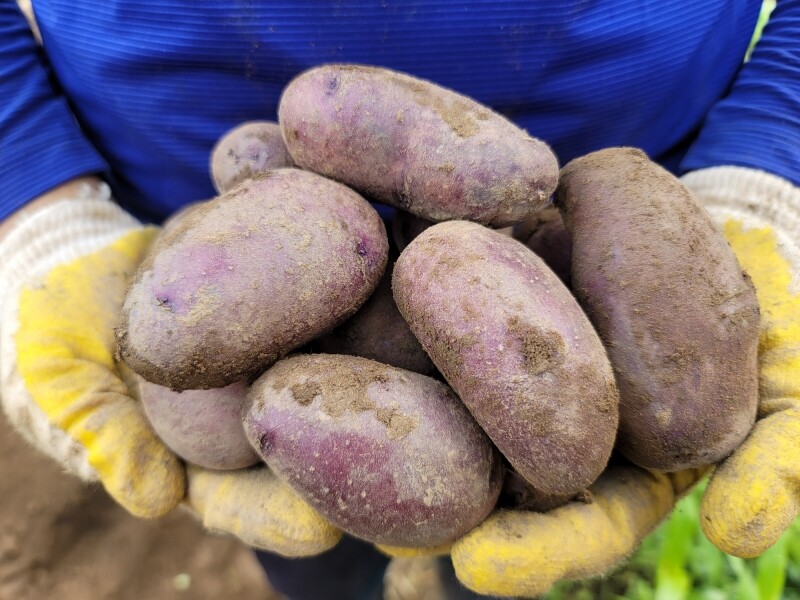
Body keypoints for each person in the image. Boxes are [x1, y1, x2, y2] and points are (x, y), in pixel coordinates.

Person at [0, 1, 798, 598]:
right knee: (302, 532)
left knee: (495, 550)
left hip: (609, 180)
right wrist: (34, 199)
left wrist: (770, 161)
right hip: (183, 177)